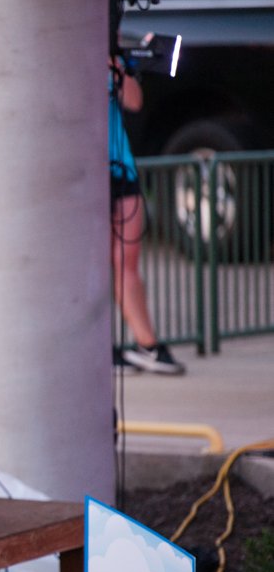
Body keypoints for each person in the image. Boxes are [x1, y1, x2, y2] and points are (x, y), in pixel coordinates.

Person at [109, 58, 186, 375]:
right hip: (86, 167)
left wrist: (118, 63)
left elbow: (134, 101)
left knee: (129, 259)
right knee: (95, 264)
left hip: (120, 166)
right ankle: (102, 346)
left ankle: (147, 344)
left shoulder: (114, 60)